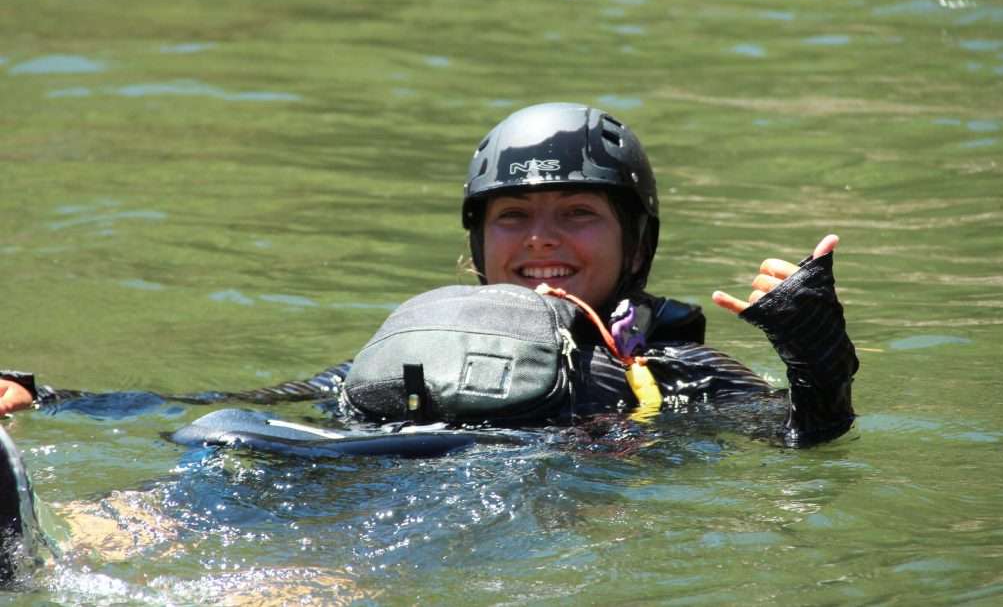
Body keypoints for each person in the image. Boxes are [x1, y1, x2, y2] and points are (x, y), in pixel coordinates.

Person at [1, 102, 857, 447]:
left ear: (636, 246)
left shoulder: (672, 375)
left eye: (579, 215)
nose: (540, 241)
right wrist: (54, 400)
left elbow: (799, 442)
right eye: (512, 217)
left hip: (530, 521)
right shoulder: (414, 355)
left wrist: (816, 353)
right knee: (220, 443)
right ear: (478, 242)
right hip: (369, 474)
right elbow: (270, 399)